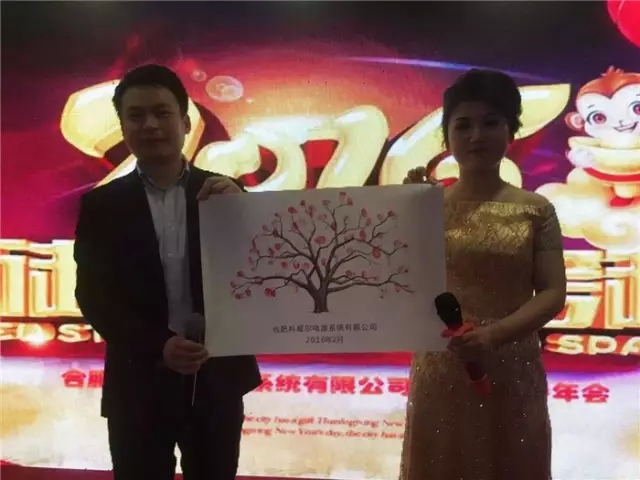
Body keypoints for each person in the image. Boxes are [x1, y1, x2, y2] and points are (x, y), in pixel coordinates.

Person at [74, 64, 262, 480]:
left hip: (217, 380)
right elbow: (94, 297)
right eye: (136, 115)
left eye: (161, 112)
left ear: (185, 121)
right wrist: (159, 345)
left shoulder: (223, 193)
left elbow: (263, 270)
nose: (150, 125)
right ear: (123, 127)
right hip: (138, 381)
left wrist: (244, 209)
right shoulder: (102, 207)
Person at [400, 69, 567, 480]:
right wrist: (401, 208)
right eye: (463, 125)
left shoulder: (536, 209)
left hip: (512, 365)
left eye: (491, 122)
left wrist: (494, 335)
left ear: (511, 131)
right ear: (446, 136)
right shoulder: (424, 206)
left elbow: (553, 293)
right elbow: (399, 281)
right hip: (441, 366)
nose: (477, 136)